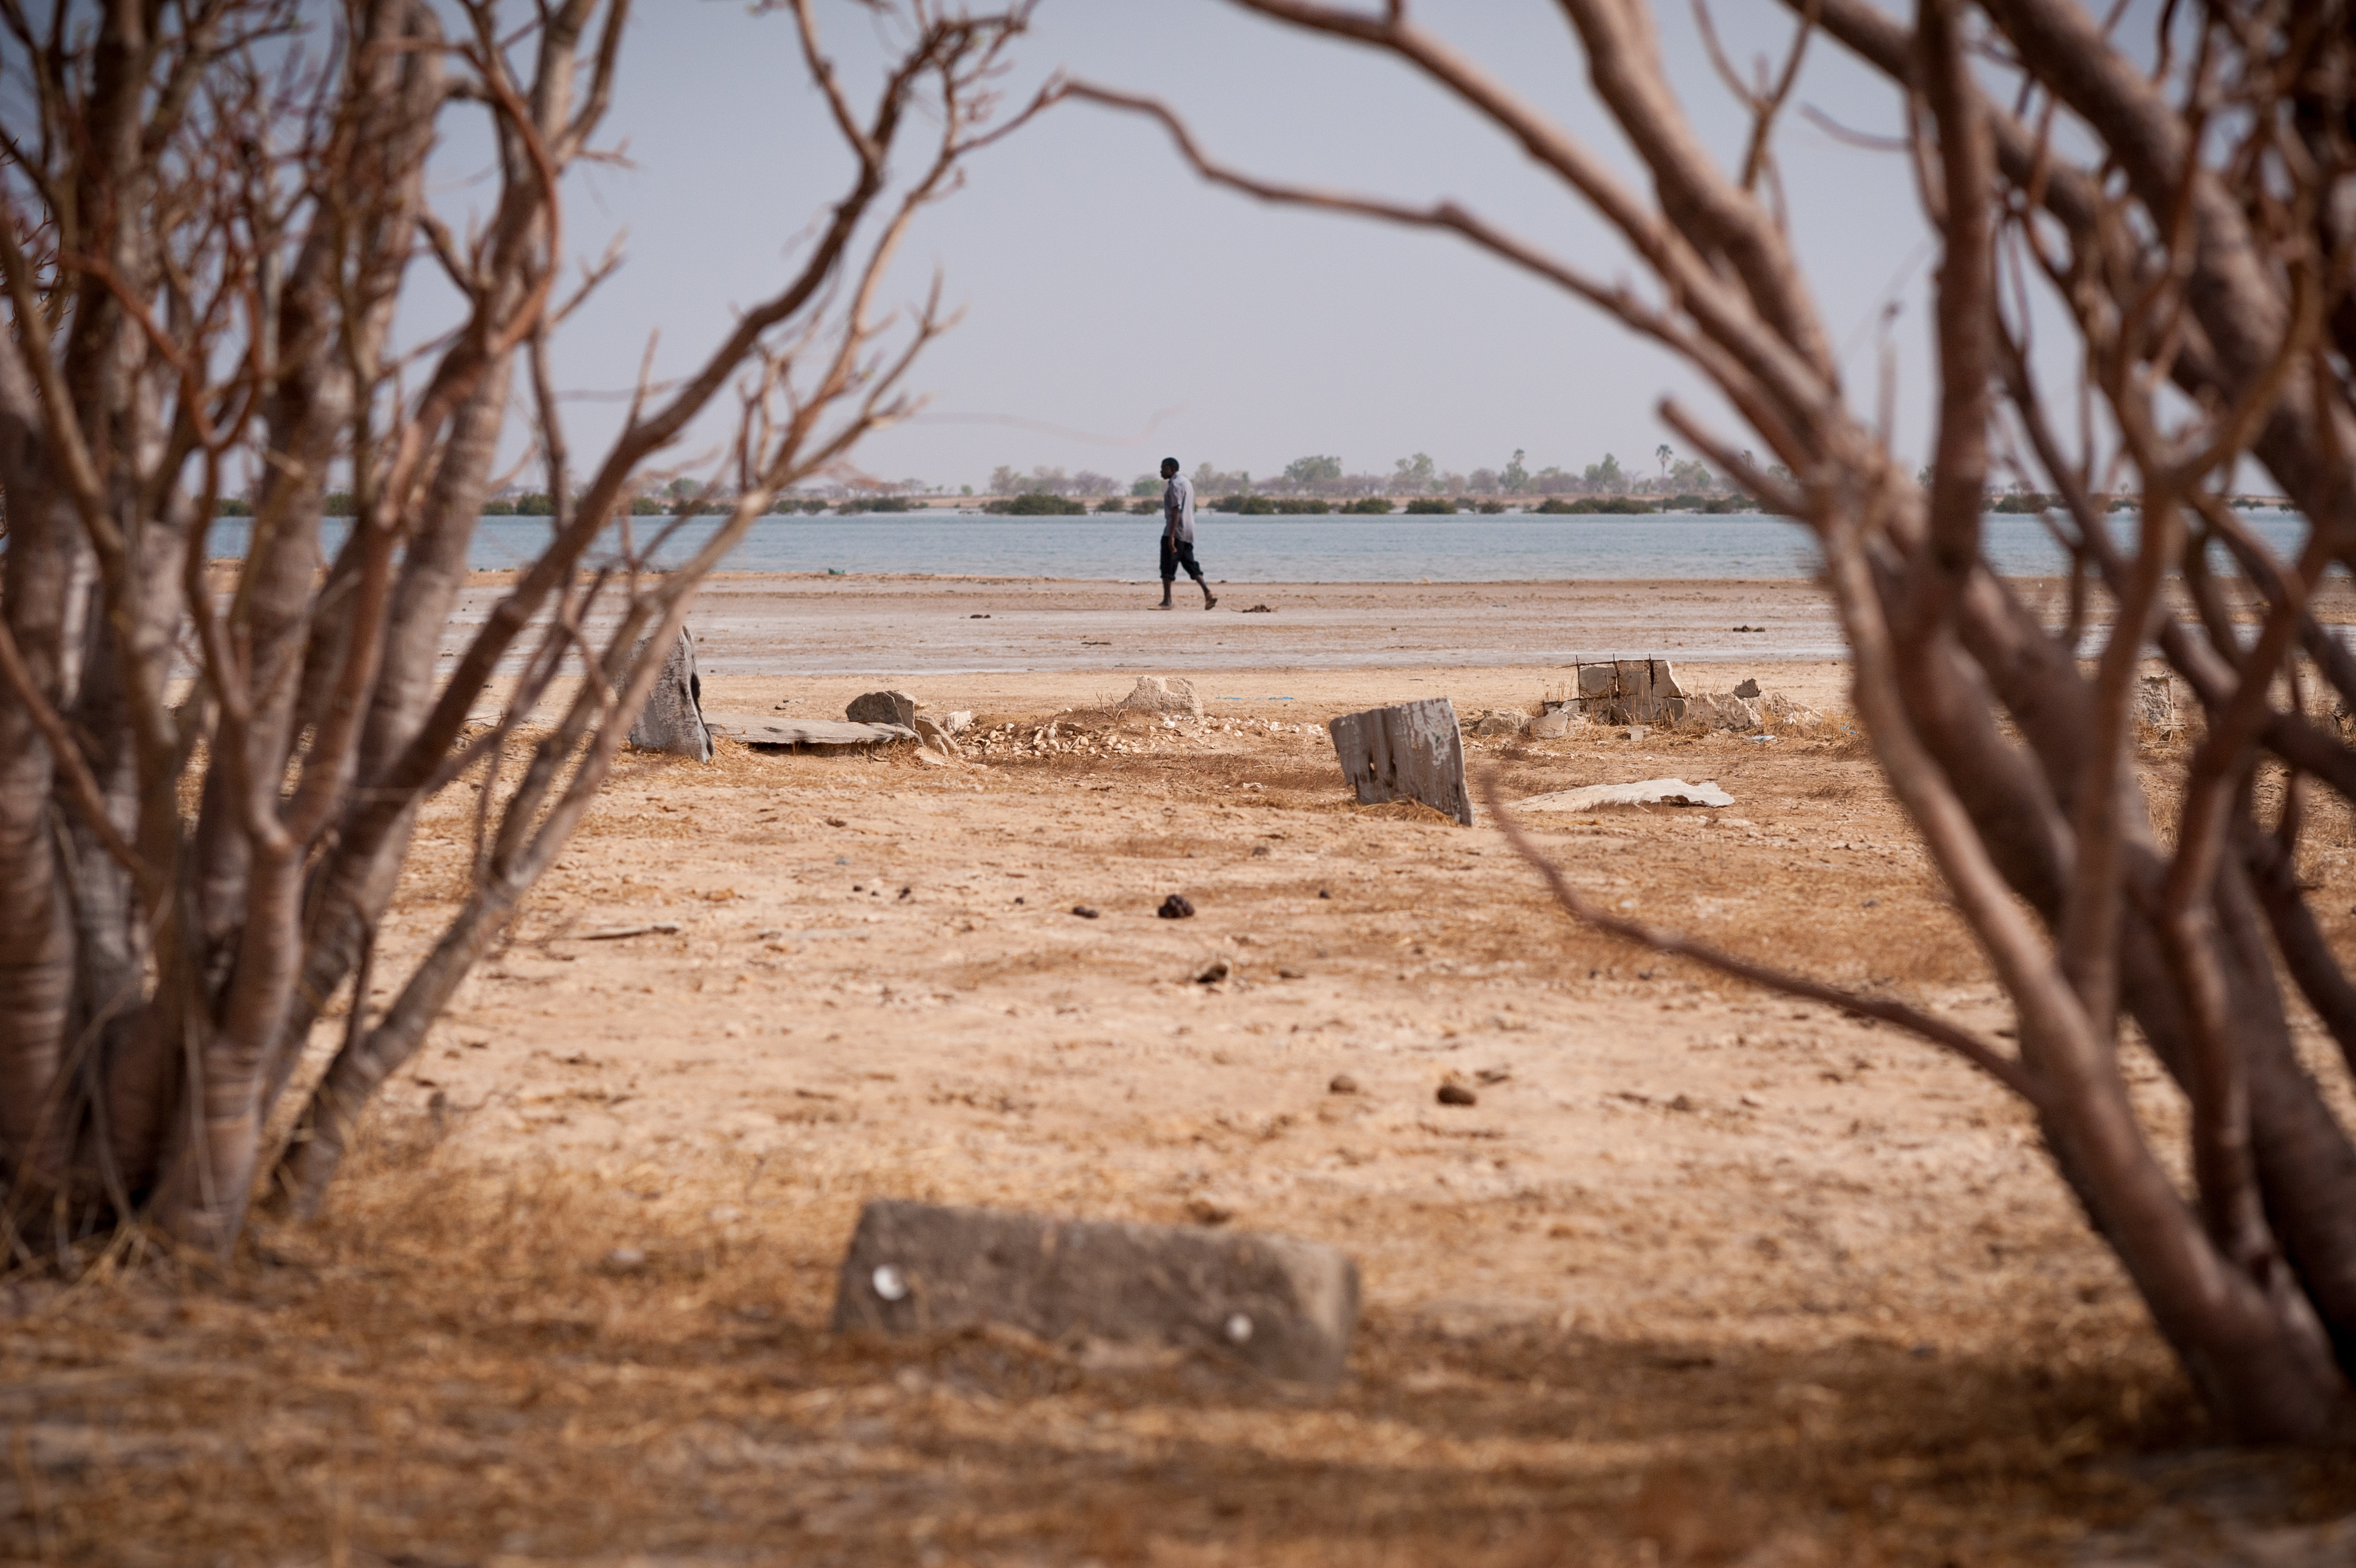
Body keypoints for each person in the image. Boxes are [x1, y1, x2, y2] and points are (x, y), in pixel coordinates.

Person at [1156, 456, 1215, 610]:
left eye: (1164, 468)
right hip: (1189, 531)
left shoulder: (1176, 485)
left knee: (1167, 566)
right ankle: (1207, 592)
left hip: (1176, 530)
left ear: (1172, 469)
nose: (1161, 471)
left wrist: (1171, 536)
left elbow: (1177, 510)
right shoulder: (1187, 483)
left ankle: (1167, 601)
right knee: (1190, 564)